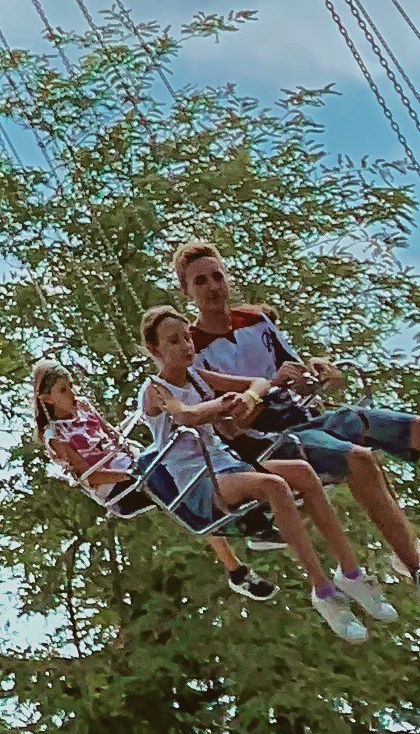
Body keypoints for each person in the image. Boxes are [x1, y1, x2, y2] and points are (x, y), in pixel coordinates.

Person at [171, 237, 420, 587]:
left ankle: (405, 545)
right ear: (186, 290)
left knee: (411, 428)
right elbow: (230, 425)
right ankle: (414, 564)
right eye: (200, 281)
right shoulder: (192, 350)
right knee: (359, 459)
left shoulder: (255, 321)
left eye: (217, 277)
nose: (213, 287)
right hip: (271, 442)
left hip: (306, 417)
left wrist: (318, 372)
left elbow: (297, 373)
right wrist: (269, 384)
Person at [138, 307, 388, 647]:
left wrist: (249, 397)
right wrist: (220, 407)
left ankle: (350, 572)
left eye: (186, 338)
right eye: (173, 341)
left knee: (301, 472)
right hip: (200, 480)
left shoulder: (199, 377)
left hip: (227, 464)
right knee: (274, 485)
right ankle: (323, 591)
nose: (185, 346)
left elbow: (258, 383)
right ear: (155, 350)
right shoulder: (155, 389)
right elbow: (185, 416)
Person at [31, 362, 273, 603]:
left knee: (179, 457)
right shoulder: (56, 438)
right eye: (63, 390)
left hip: (132, 464)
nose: (71, 393)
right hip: (115, 487)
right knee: (167, 482)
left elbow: (111, 436)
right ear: (48, 399)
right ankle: (234, 532)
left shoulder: (83, 406)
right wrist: (129, 474)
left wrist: (134, 457)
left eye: (71, 386)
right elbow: (90, 477)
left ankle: (239, 537)